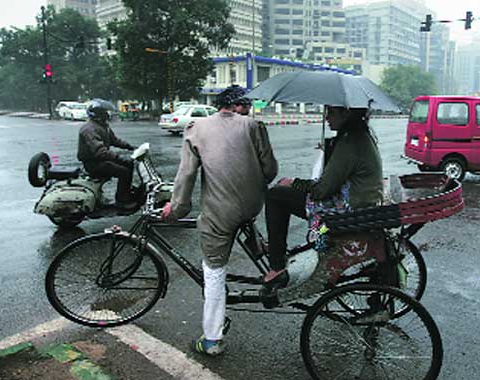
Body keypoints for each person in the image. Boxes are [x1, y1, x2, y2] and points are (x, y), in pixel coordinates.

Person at [162, 86, 278, 356]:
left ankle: (212, 339)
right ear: (237, 105)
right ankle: (259, 247)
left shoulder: (196, 128)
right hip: (252, 206)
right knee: (242, 219)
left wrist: (177, 209)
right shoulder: (254, 126)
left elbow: (186, 175)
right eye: (246, 105)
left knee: (213, 269)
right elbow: (270, 170)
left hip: (220, 213)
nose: (248, 111)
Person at [261, 106, 383, 295]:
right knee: (283, 191)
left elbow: (322, 190)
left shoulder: (350, 141)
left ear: (346, 113)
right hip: (361, 201)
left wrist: (294, 183)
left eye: (332, 113)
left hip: (347, 207)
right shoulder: (359, 135)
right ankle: (277, 248)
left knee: (276, 195)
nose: (327, 117)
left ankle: (276, 266)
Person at [77, 99, 137, 210]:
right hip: (93, 163)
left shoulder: (103, 126)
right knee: (123, 171)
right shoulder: (89, 129)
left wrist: (130, 146)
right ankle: (121, 201)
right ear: (97, 114)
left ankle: (126, 192)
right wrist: (117, 157)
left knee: (129, 163)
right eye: (104, 112)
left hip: (101, 159)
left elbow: (114, 140)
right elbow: (100, 151)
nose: (107, 114)